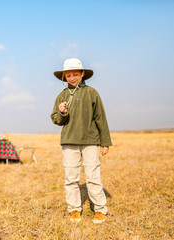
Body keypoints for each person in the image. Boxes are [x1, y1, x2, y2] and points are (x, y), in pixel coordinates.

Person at [50, 58, 112, 224]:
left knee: (93, 177)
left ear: (82, 74)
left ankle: (100, 209)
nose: (72, 78)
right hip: (69, 142)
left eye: (75, 74)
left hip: (90, 141)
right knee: (71, 178)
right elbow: (55, 119)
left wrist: (104, 142)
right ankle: (74, 209)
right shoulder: (62, 96)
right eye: (68, 75)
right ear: (64, 77)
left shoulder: (92, 93)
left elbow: (101, 118)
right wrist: (62, 112)